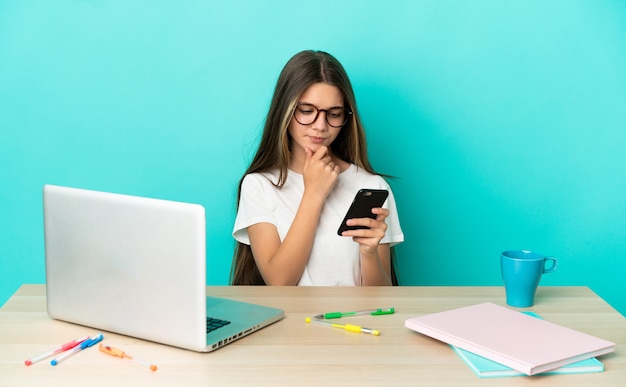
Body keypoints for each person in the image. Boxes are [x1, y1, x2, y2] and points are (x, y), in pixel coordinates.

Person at [231, 50, 403, 286]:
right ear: (285, 111)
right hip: (291, 322)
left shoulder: (371, 186)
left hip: (352, 322)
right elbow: (279, 282)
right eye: (307, 111)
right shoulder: (259, 185)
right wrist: (314, 193)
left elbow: (382, 300)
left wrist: (369, 252)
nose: (320, 126)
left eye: (334, 114)